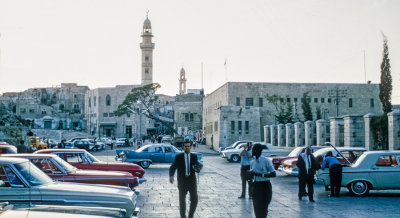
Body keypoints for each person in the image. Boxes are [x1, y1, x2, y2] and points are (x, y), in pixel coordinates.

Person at [169, 140, 200, 218]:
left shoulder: (194, 157)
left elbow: (196, 167)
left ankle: (190, 215)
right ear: (183, 147)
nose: (187, 148)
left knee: (195, 199)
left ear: (191, 147)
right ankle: (183, 216)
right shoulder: (178, 157)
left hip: (192, 181)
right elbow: (173, 167)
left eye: (188, 146)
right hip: (182, 181)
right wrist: (171, 176)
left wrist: (198, 168)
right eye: (185, 146)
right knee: (182, 201)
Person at [249, 143, 276, 218]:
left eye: (254, 149)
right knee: (256, 208)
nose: (252, 150)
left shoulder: (266, 161)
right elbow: (252, 175)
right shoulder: (252, 162)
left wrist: (260, 174)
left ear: (259, 151)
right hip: (256, 186)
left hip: (265, 186)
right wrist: (250, 176)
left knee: (264, 208)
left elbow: (274, 174)